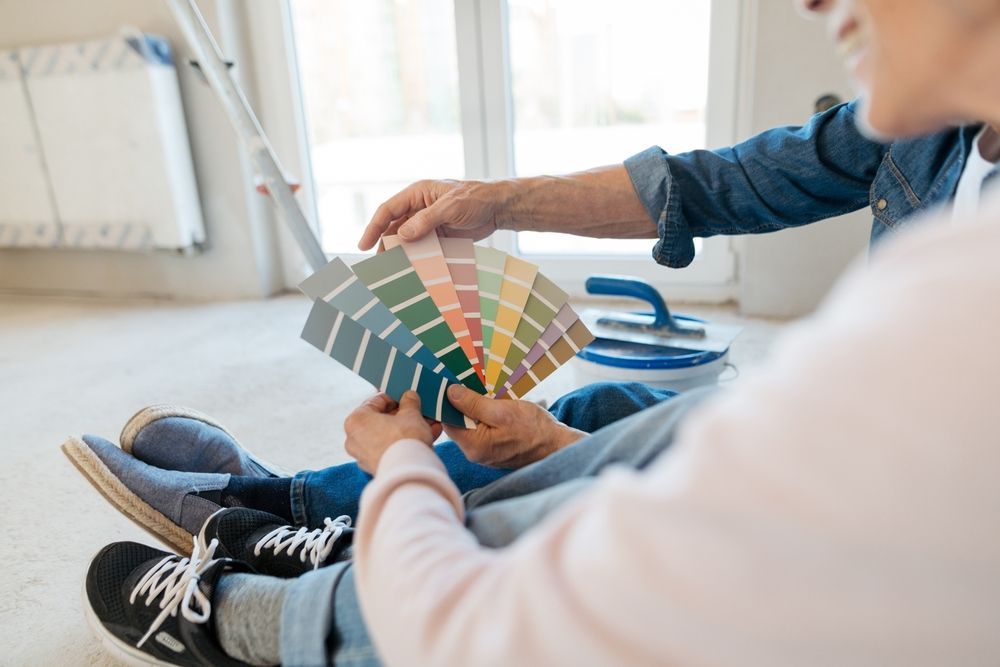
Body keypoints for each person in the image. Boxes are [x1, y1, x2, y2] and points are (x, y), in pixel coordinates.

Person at [75, 0, 1000, 664]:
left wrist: (413, 466)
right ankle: (304, 511)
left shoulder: (962, 305)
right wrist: (499, 201)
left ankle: (255, 620)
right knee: (607, 405)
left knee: (557, 510)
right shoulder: (943, 132)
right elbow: (726, 179)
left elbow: (470, 631)